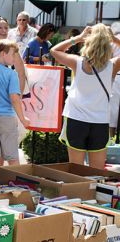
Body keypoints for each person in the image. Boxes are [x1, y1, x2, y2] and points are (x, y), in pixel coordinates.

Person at [51, 24, 120, 169]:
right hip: (100, 121)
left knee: (76, 171)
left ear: (88, 42)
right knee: (97, 171)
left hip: (76, 118)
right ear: (108, 45)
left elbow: (54, 50)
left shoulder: (77, 62)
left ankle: (77, 192)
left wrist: (77, 38)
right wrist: (114, 39)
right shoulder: (112, 66)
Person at [0, 39, 30, 183]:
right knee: (12, 156)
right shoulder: (11, 74)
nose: (15, 58)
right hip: (7, 118)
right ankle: (19, 187)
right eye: (13, 54)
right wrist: (23, 119)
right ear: (3, 53)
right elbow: (15, 98)